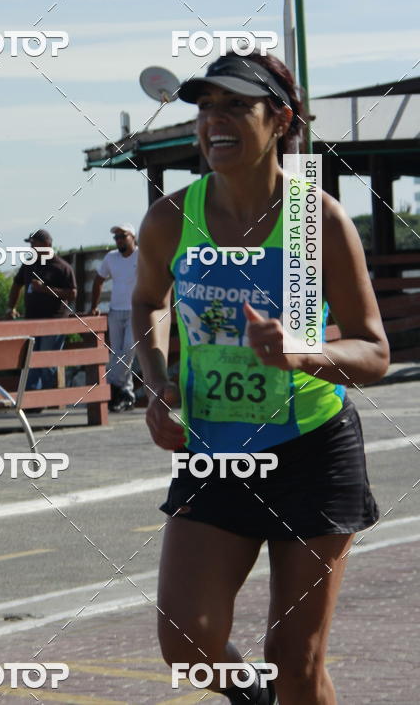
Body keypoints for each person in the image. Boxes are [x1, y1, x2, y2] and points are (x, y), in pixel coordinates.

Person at [132, 51, 389, 705]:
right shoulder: (171, 218)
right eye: (205, 108)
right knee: (188, 644)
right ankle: (251, 695)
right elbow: (148, 301)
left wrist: (304, 353)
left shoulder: (318, 220)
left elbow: (374, 351)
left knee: (295, 662)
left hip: (311, 449)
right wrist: (158, 379)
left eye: (234, 107)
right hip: (213, 451)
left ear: (279, 119)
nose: (213, 121)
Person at [6, 229, 77, 391]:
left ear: (46, 244)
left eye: (34, 244)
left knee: (47, 361)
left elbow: (72, 293)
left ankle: (46, 397)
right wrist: (11, 307)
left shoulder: (62, 267)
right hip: (32, 320)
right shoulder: (29, 264)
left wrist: (45, 289)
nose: (31, 247)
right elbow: (17, 285)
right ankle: (34, 398)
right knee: (31, 359)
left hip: (54, 321)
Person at [89, 223, 138, 411]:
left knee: (128, 349)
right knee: (118, 353)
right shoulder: (111, 258)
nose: (118, 240)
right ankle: (126, 394)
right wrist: (94, 306)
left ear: (132, 237)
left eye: (122, 236)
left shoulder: (142, 255)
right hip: (115, 310)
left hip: (136, 310)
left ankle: (109, 384)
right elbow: (98, 280)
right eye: (116, 237)